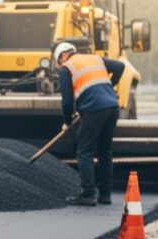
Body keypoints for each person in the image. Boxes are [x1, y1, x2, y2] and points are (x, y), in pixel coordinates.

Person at [54, 42, 126, 206]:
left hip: (95, 109)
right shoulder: (95, 59)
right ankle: (105, 195)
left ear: (63, 56)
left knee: (84, 151)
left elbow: (67, 101)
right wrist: (108, 87)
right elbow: (120, 67)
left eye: (59, 61)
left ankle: (88, 194)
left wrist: (67, 122)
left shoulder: (66, 68)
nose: (60, 64)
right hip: (112, 106)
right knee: (104, 151)